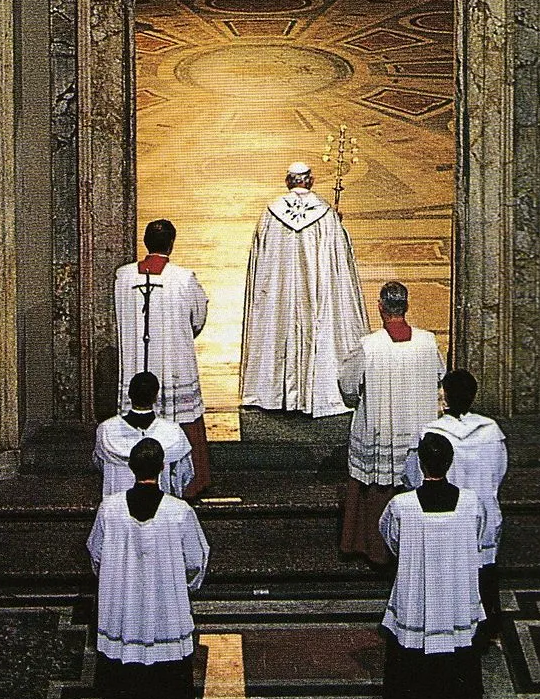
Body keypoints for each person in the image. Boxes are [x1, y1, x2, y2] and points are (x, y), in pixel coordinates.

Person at [87, 437, 209, 699]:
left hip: (122, 614)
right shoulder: (179, 512)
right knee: (165, 681)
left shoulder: (109, 508)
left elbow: (95, 554)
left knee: (125, 681)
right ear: (163, 468)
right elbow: (197, 560)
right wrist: (177, 589)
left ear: (130, 468)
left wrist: (117, 583)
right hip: (166, 614)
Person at [379, 430, 486, 699]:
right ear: (450, 462)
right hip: (456, 598)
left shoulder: (401, 506)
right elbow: (477, 539)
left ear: (420, 463)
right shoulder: (471, 503)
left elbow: (392, 542)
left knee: (411, 666)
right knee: (458, 662)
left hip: (417, 598)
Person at [240, 161, 367, 417]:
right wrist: (339, 228)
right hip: (317, 295)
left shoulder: (270, 213)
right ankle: (316, 391)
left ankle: (273, 391)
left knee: (277, 324)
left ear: (289, 181)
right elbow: (340, 263)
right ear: (310, 181)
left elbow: (259, 262)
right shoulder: (325, 214)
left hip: (279, 297)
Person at [340, 280, 444, 565]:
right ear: (406, 306)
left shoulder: (369, 346)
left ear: (380, 307)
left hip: (380, 428)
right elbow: (439, 376)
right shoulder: (427, 342)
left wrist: (358, 402)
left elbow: (348, 386)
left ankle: (373, 549)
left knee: (377, 489)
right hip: (417, 432)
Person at [404, 368, 508, 635]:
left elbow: (416, 477)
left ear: (444, 396)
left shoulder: (432, 433)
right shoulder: (491, 431)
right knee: (481, 574)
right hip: (482, 515)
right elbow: (499, 472)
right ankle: (484, 629)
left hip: (443, 514)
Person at [113, 220, 211, 494]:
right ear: (171, 244)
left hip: (136, 361)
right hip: (173, 360)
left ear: (145, 242)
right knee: (184, 415)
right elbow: (198, 316)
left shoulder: (123, 277)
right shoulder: (183, 277)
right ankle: (192, 482)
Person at [94, 370, 195, 499]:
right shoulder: (173, 432)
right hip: (161, 507)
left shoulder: (107, 430)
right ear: (155, 397)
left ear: (129, 394)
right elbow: (184, 474)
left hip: (117, 508)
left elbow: (100, 466)